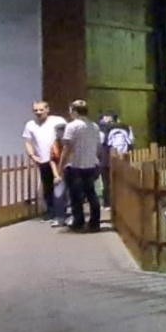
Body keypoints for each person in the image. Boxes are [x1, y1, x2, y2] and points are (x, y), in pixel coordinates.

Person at [58, 99, 103, 232]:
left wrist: (61, 165)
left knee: (75, 196)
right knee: (91, 194)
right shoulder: (94, 126)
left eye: (71, 110)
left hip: (75, 165)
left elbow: (67, 147)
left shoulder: (72, 126)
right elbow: (98, 147)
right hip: (91, 164)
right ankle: (95, 222)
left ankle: (78, 221)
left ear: (75, 111)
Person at [21, 101, 69, 228]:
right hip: (43, 159)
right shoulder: (30, 124)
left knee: (62, 186)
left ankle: (62, 212)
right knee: (47, 186)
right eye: (35, 110)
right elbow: (27, 140)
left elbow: (67, 137)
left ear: (47, 109)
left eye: (41, 110)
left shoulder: (58, 121)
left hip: (59, 159)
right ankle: (51, 212)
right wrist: (32, 155)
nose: (38, 112)